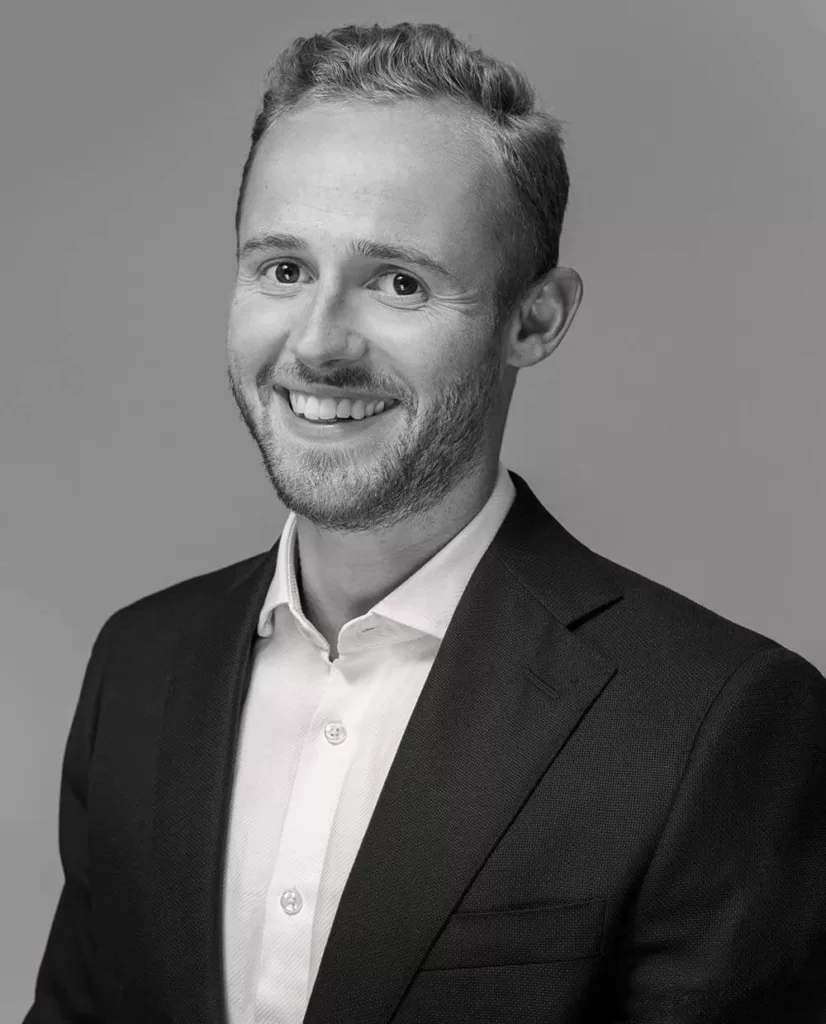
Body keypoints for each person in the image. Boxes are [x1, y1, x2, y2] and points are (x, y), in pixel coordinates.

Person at [24, 21, 826, 1024]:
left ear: (533, 321)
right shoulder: (137, 666)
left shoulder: (715, 725)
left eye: (397, 282)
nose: (316, 345)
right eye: (282, 269)